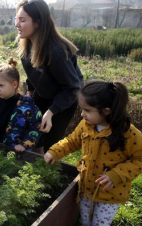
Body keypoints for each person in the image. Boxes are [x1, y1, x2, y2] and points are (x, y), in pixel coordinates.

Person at [44, 80, 142, 226]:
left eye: (87, 110)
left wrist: (116, 174)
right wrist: (55, 151)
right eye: (81, 109)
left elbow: (139, 159)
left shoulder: (128, 133)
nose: (82, 114)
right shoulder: (86, 125)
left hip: (110, 193)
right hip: (87, 188)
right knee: (85, 221)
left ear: (106, 111)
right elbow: (71, 141)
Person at [15, 0, 83, 154]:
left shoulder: (56, 52)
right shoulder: (26, 44)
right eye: (17, 19)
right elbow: (32, 71)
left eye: (22, 20)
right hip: (43, 93)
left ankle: (49, 171)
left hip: (64, 99)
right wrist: (30, 91)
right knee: (34, 133)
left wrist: (51, 112)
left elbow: (72, 88)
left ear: (37, 23)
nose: (16, 24)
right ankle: (36, 166)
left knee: (51, 143)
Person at [0, 59, 42, 152]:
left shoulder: (27, 104)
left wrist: (24, 145)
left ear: (14, 84)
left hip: (14, 151)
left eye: (1, 85)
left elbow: (35, 126)